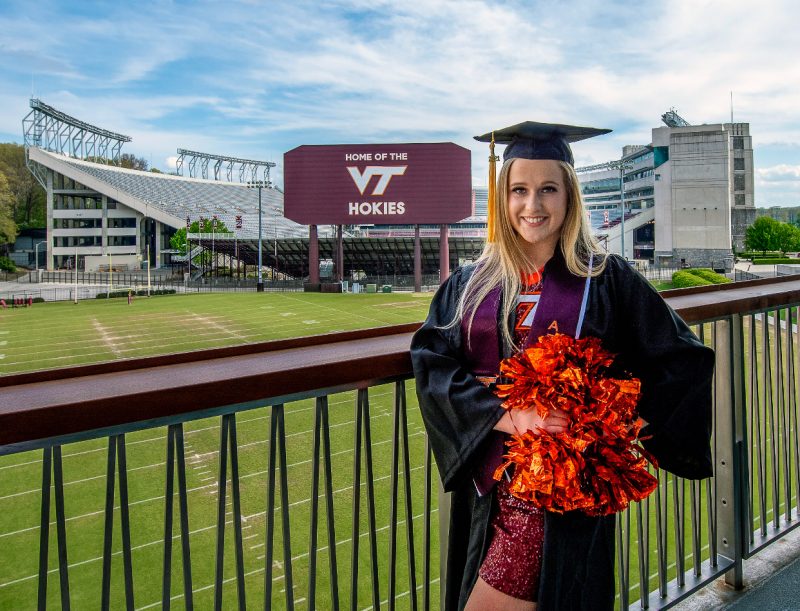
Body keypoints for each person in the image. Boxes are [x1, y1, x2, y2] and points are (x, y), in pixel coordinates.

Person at [410, 121, 714, 610]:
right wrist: (507, 415)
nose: (533, 206)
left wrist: (613, 421)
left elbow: (682, 357)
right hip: (489, 487)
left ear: (570, 195)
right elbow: (431, 360)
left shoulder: (604, 278)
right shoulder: (471, 283)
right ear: (501, 198)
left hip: (559, 493)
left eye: (548, 189)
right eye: (519, 190)